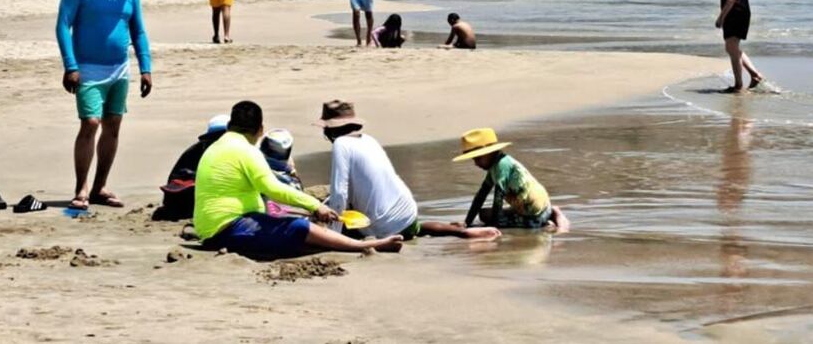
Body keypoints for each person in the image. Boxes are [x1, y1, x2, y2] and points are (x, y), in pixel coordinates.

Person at [194, 101, 403, 258]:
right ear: (260, 130)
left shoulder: (214, 148)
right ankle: (362, 246)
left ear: (230, 125)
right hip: (227, 229)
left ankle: (341, 245)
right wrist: (315, 206)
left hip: (210, 228)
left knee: (294, 237)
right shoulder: (246, 151)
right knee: (297, 227)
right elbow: (272, 188)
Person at [56, 0, 153, 210]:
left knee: (113, 125)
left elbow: (139, 31)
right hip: (87, 68)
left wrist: (146, 68)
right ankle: (81, 188)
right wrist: (70, 65)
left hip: (120, 69)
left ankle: (100, 187)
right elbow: (63, 26)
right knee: (90, 123)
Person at [319, 101, 501, 241]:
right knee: (418, 229)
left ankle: (461, 233)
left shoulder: (341, 144)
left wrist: (334, 234)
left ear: (330, 129)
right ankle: (461, 232)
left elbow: (340, 194)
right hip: (408, 212)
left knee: (335, 229)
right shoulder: (368, 140)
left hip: (386, 228)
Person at [453, 128, 569, 231]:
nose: (476, 164)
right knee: (483, 214)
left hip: (533, 213)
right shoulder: (494, 168)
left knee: (510, 225)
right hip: (523, 208)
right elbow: (481, 196)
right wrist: (467, 223)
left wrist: (495, 225)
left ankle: (551, 215)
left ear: (490, 153)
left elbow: (498, 197)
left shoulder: (502, 165)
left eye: (478, 159)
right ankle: (549, 212)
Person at [715, 0, 763, 93]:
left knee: (731, 48)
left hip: (735, 12)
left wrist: (721, 17)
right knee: (732, 48)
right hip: (740, 11)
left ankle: (738, 85)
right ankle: (755, 76)